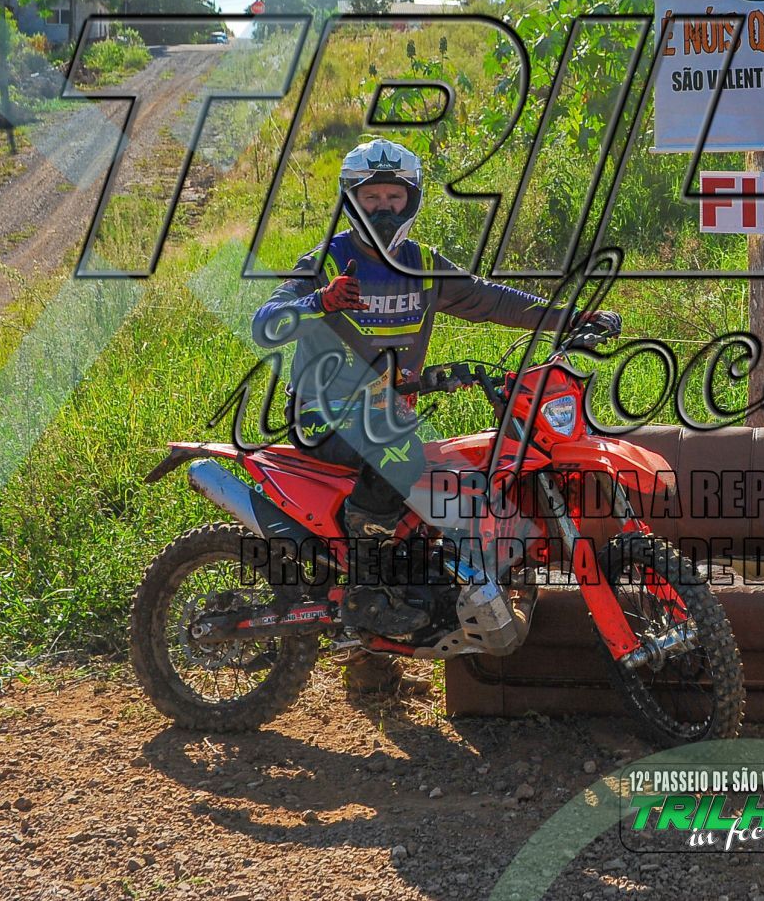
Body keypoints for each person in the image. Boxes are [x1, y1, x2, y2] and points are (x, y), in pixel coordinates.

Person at [251, 136, 616, 643]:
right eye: (371, 197)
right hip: (321, 412)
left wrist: (570, 317)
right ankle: (367, 591)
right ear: (351, 199)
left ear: (411, 201)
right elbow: (264, 323)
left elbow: (492, 300)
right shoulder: (326, 262)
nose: (383, 208)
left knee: (450, 485)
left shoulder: (422, 264)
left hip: (387, 415)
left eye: (393, 197)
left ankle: (388, 639)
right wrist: (320, 301)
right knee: (398, 455)